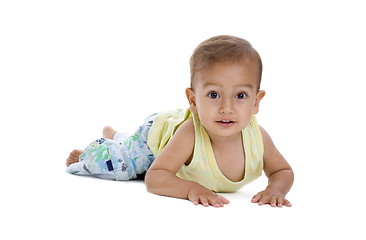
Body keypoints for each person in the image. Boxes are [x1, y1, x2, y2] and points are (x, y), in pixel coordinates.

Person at [66, 35, 294, 208]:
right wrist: (189, 188)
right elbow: (155, 177)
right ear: (193, 100)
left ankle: (117, 135)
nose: (227, 108)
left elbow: (282, 171)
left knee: (133, 153)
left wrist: (276, 190)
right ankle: (95, 151)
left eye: (240, 96)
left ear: (256, 102)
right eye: (214, 95)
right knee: (127, 166)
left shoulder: (258, 138)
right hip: (153, 138)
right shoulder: (190, 134)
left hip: (169, 140)